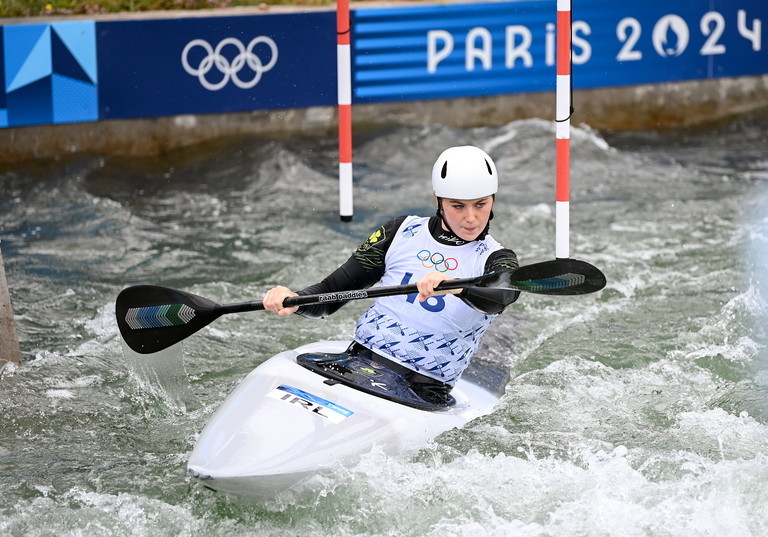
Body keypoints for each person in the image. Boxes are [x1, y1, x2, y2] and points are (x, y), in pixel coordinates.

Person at [263, 145, 520, 402]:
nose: (471, 218)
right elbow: (331, 294)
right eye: (458, 206)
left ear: (493, 199)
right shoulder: (400, 231)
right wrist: (295, 300)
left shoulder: (496, 258)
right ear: (438, 200)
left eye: (480, 204)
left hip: (421, 389)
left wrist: (458, 287)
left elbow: (501, 295)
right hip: (357, 362)